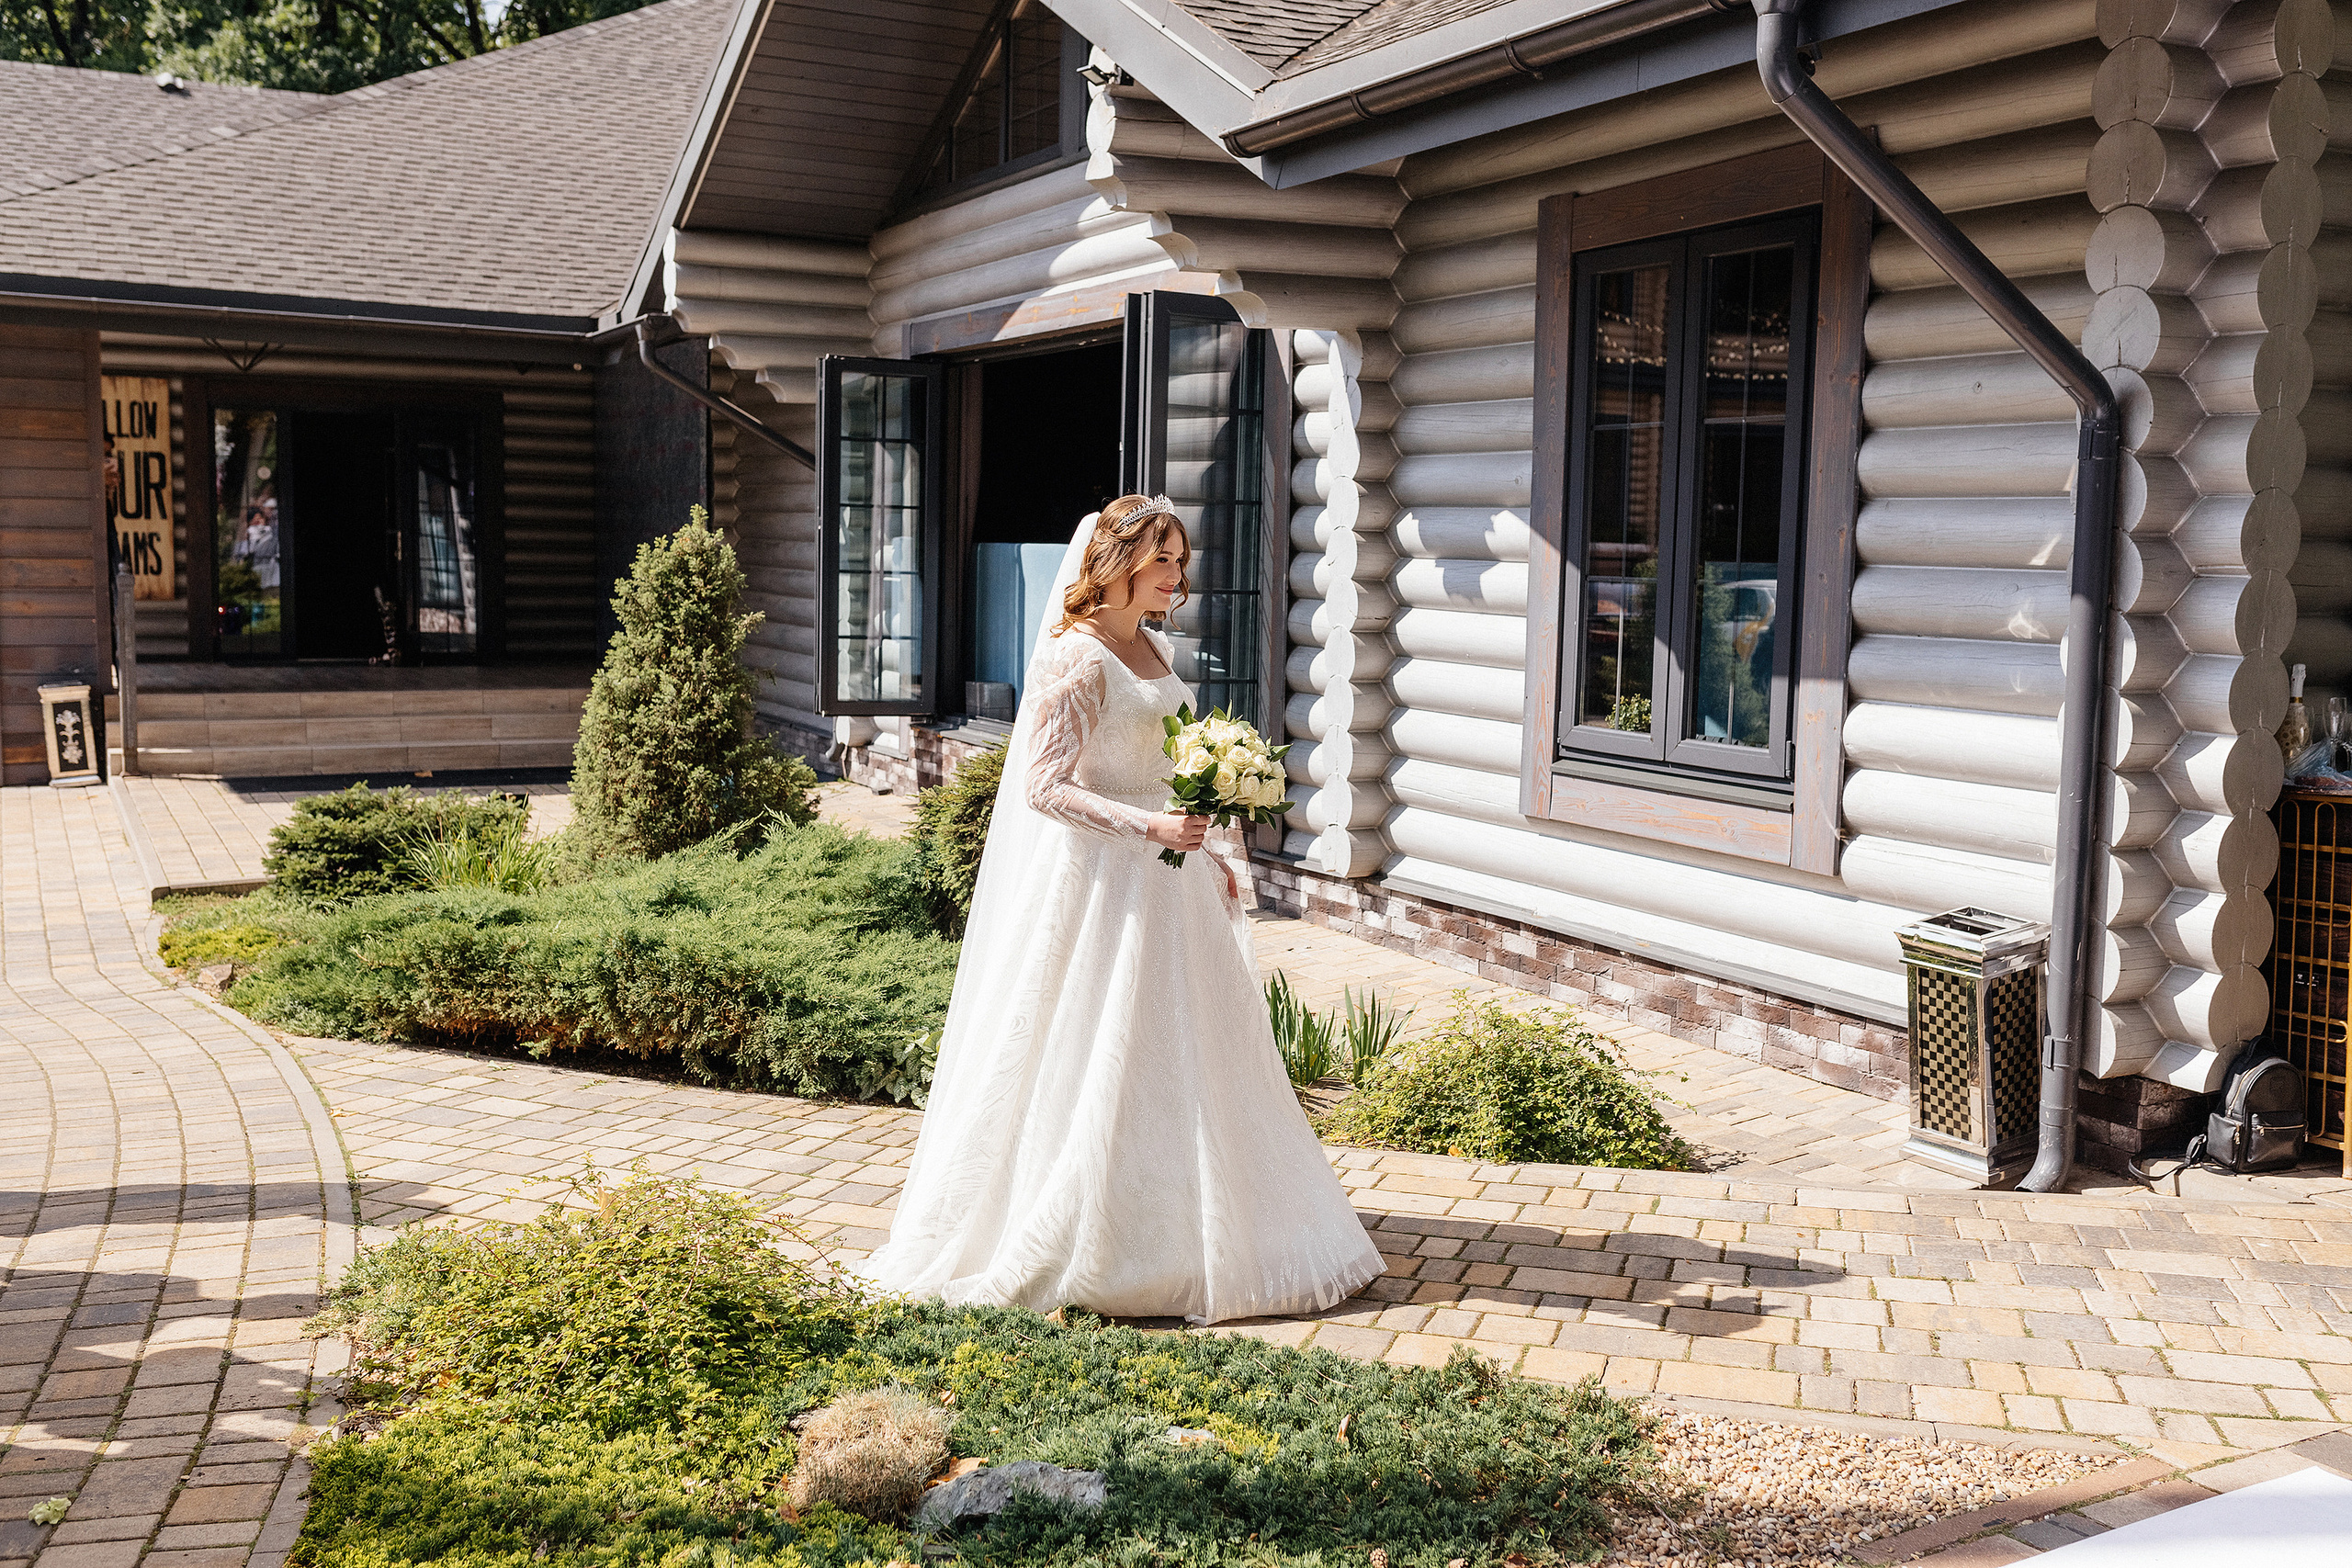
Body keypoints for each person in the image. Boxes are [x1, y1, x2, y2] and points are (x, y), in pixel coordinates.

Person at [860, 494, 1383, 1325]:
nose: (1179, 574)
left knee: (1183, 1052)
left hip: (1171, 880)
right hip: (1103, 885)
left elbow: (1168, 759)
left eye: (1180, 558)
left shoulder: (1154, 645)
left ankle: (1190, 1218)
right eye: (1164, 560)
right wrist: (1152, 826)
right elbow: (1042, 788)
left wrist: (1205, 841)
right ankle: (1097, 1236)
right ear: (1120, 564)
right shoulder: (1076, 656)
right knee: (1094, 1049)